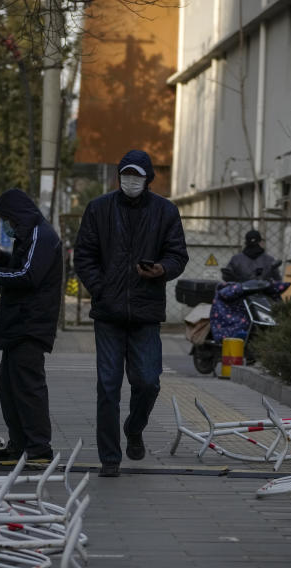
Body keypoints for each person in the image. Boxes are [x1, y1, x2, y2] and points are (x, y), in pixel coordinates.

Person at [73, 150, 189, 478]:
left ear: (149, 179)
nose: (131, 181)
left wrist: (161, 269)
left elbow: (178, 254)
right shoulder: (99, 208)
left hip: (146, 312)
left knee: (149, 382)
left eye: (137, 176)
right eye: (126, 174)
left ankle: (134, 428)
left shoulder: (165, 211)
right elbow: (84, 255)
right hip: (108, 313)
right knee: (108, 387)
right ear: (118, 176)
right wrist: (101, 287)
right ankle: (110, 458)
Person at [0, 188, 63, 464]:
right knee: (9, 386)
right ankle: (19, 444)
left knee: (27, 387)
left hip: (31, 324)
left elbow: (28, 275)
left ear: (17, 215)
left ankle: (39, 447)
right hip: (18, 324)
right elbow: (20, 265)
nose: (6, 224)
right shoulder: (29, 236)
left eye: (7, 219)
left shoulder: (42, 236)